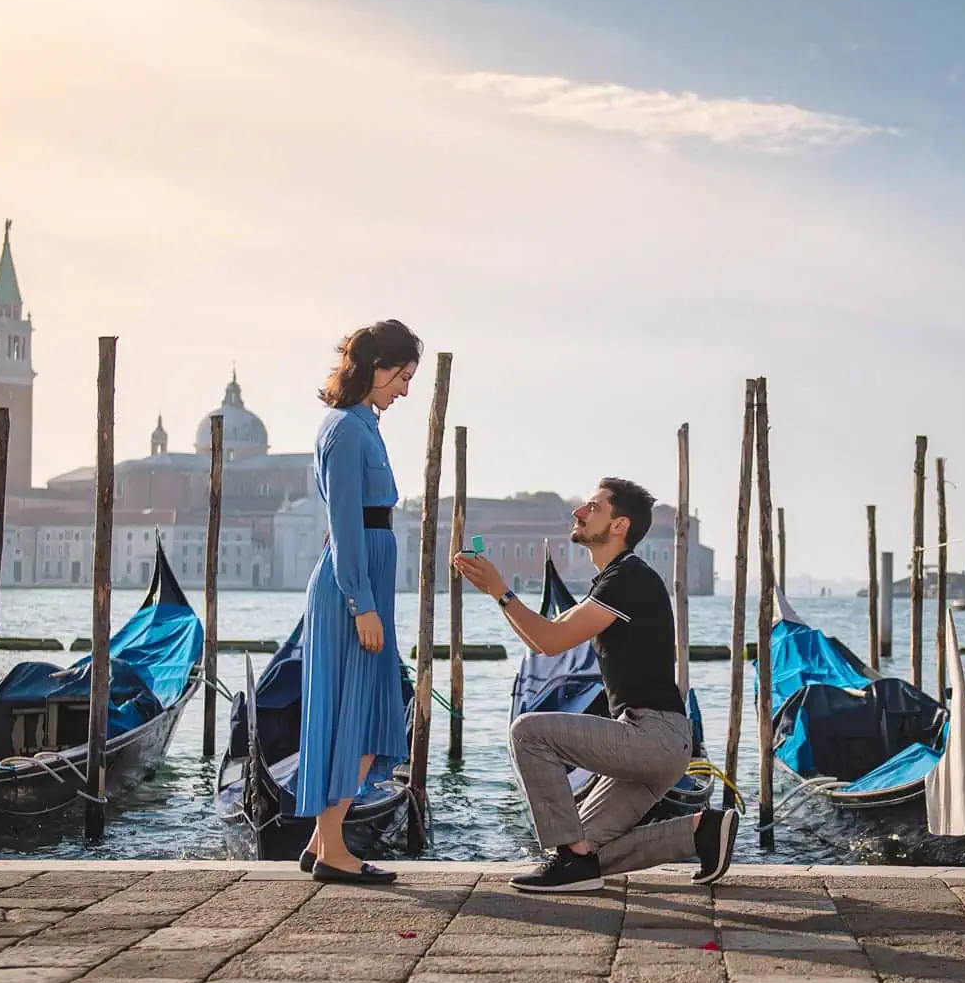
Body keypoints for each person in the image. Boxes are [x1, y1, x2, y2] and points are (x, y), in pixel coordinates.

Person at [454, 478, 738, 893]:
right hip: (656, 743)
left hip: (651, 737)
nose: (578, 512)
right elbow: (544, 640)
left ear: (619, 525)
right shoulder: (617, 580)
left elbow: (547, 641)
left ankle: (566, 860)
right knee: (586, 849)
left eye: (592, 507)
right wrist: (497, 594)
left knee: (527, 733)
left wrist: (500, 589)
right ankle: (700, 831)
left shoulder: (628, 578)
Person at [295, 319, 420, 885]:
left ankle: (323, 840)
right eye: (403, 377)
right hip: (356, 590)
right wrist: (361, 605)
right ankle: (333, 851)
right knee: (360, 715)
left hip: (364, 578)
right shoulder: (345, 429)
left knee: (366, 712)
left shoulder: (362, 424)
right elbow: (344, 523)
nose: (405, 390)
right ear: (377, 368)